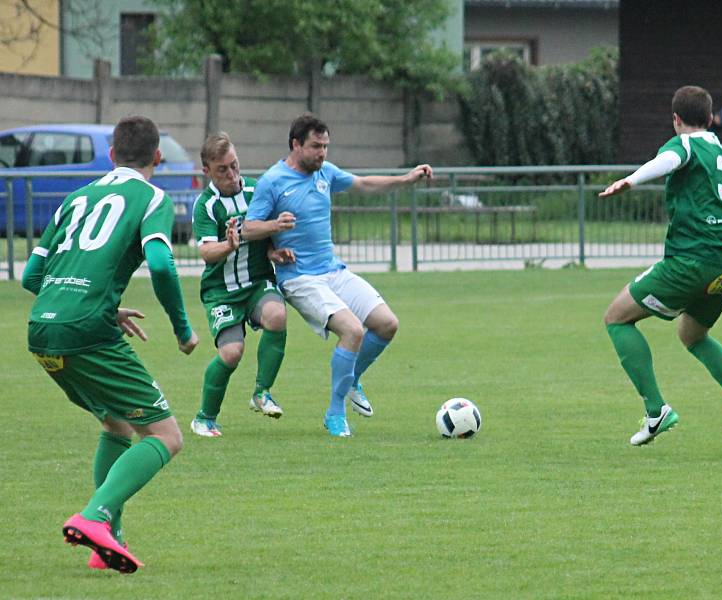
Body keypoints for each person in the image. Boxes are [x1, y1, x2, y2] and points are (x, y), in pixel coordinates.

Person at [21, 115, 199, 573]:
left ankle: (108, 543)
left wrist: (101, 306)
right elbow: (161, 264)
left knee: (117, 423)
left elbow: (31, 277)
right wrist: (182, 330)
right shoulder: (152, 197)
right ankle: (95, 517)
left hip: (42, 328)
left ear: (111, 155)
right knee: (166, 436)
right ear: (158, 158)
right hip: (86, 332)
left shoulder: (75, 198)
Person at [599, 85, 722, 453]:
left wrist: (631, 180)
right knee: (693, 336)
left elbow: (669, 162)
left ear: (676, 120)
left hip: (690, 261)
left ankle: (655, 410)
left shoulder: (686, 146)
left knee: (616, 318)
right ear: (711, 119)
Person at [242, 113, 432, 437]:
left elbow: (364, 184)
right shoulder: (272, 181)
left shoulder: (325, 174)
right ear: (295, 144)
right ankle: (335, 412)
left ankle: (352, 377)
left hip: (333, 270)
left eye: (326, 146)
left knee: (387, 324)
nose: (322, 153)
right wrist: (275, 227)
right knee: (353, 332)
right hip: (300, 279)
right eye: (316, 146)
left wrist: (406, 179)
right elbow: (248, 228)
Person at [190, 132, 295, 437]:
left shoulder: (255, 190)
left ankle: (262, 393)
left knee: (277, 316)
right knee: (232, 353)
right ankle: (204, 418)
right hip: (221, 292)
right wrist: (229, 245)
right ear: (206, 171)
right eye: (222, 169)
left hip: (257, 282)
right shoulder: (206, 206)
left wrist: (274, 251)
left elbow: (264, 231)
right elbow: (207, 252)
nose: (232, 174)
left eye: (234, 165)